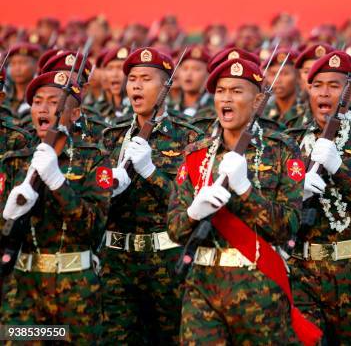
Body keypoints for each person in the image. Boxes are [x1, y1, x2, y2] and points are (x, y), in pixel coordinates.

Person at [167, 56, 307, 343]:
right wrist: (194, 212)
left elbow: (288, 227)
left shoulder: (281, 151)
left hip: (260, 286)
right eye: (220, 91)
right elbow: (174, 228)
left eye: (236, 91)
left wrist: (245, 190)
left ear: (257, 102)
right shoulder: (196, 153)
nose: (226, 99)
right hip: (203, 288)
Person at [0, 70, 111, 343]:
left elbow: (93, 227)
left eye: (54, 102)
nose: (44, 108)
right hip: (24, 290)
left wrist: (58, 183)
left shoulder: (93, 159)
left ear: (74, 114)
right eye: (38, 101)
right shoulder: (15, 161)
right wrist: (7, 215)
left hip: (76, 289)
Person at [99, 48, 201, 344]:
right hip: (117, 261)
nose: (137, 86)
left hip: (166, 260)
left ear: (166, 87)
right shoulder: (111, 136)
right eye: (132, 79)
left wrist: (151, 172)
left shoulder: (189, 138)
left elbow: (191, 205)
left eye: (146, 79)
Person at [286, 51, 351, 344]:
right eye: (317, 85)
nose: (325, 92)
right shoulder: (290, 140)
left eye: (334, 85)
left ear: (349, 91)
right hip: (302, 269)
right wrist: (297, 192)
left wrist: (338, 169)